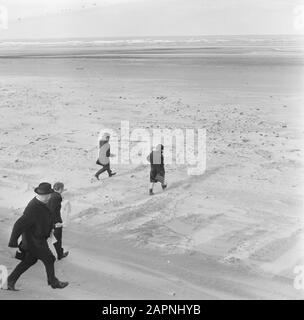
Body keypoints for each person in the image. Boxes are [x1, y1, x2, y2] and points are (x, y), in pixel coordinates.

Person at [6, 182, 69, 291]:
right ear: (43, 195)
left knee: (29, 261)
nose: (50, 197)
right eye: (49, 195)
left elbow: (41, 221)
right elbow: (18, 225)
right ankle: (53, 282)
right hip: (34, 242)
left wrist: (54, 225)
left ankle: (10, 281)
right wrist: (13, 244)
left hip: (37, 240)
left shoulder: (41, 204)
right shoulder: (33, 208)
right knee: (50, 259)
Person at [47, 182, 69, 261]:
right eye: (62, 189)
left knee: (47, 238)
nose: (63, 190)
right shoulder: (57, 197)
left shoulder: (51, 194)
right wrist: (54, 224)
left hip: (47, 220)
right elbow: (52, 210)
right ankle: (60, 254)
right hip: (56, 222)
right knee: (57, 239)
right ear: (60, 189)